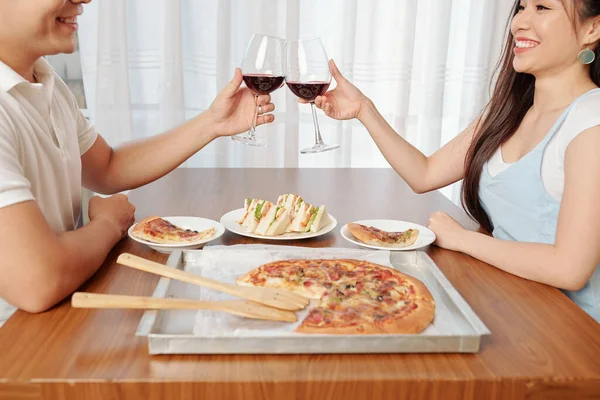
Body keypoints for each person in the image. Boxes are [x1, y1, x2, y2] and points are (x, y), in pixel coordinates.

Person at [311, 0, 600, 321]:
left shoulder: (591, 121)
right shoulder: (508, 111)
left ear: (593, 29)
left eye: (542, 8)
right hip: (515, 302)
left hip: (575, 330)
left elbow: (569, 268)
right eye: (521, 7)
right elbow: (425, 173)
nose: (519, 23)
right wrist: (364, 110)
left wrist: (462, 239)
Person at [0, 0, 275, 324]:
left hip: (59, 320)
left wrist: (212, 123)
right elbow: (38, 280)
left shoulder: (46, 82)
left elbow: (107, 167)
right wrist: (107, 224)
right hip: (16, 346)